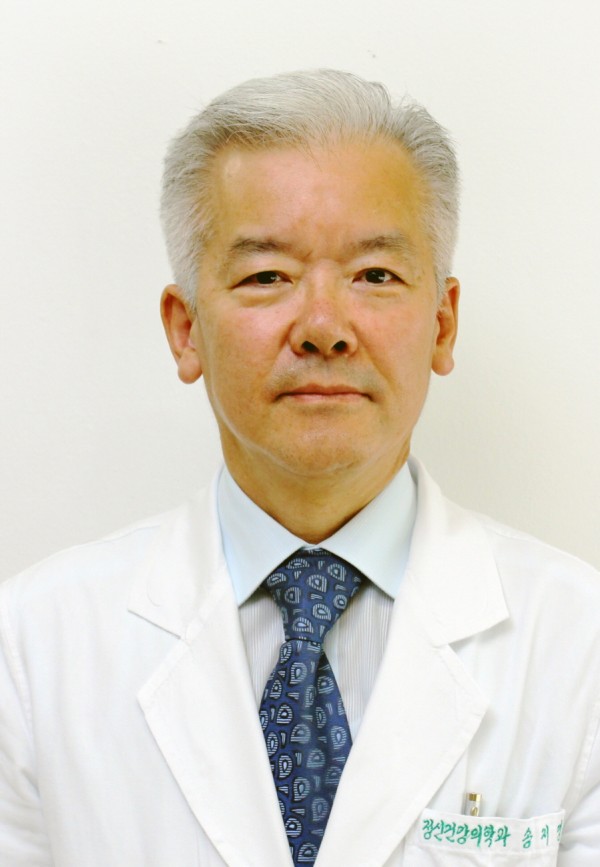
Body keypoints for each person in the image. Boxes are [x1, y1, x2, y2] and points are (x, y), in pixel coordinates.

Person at [0, 69, 598, 867]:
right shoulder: (32, 646)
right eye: (267, 276)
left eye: (375, 275)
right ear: (185, 329)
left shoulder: (580, 643)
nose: (323, 326)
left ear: (443, 323)